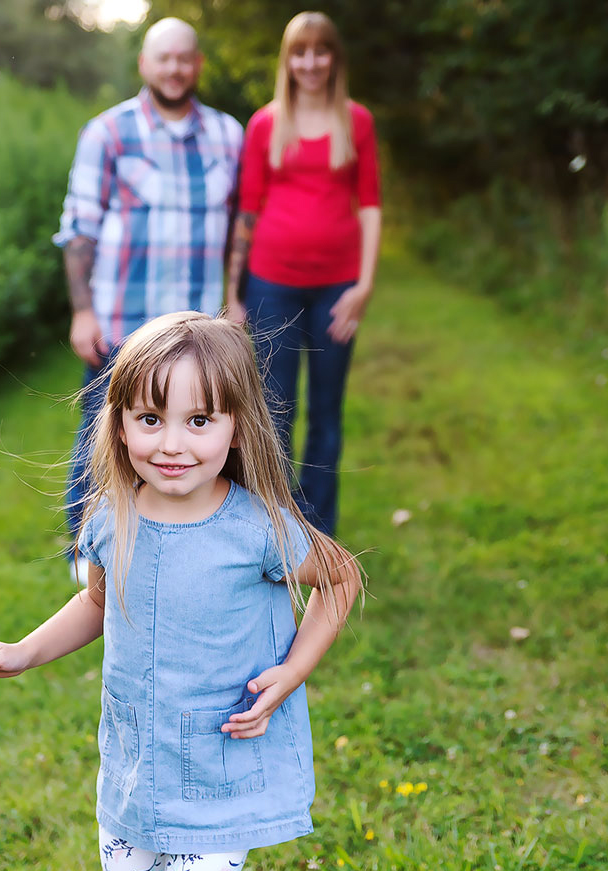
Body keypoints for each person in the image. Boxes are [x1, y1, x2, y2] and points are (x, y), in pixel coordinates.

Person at [0, 313, 362, 871]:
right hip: (135, 772)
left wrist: (292, 672)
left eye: (198, 421)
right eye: (150, 419)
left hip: (219, 776)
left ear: (236, 427)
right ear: (118, 424)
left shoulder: (257, 528)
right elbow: (98, 602)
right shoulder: (112, 515)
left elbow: (340, 579)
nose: (171, 443)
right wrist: (22, 651)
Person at [53, 17, 244, 584]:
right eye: (164, 58)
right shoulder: (107, 133)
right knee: (104, 437)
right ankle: (87, 557)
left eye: (185, 58)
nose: (175, 68)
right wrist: (82, 309)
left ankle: (174, 546)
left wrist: (234, 300)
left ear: (198, 65)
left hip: (198, 331)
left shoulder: (228, 135)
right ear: (144, 63)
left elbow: (239, 229)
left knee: (189, 437)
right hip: (121, 322)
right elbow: (79, 230)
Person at [224, 12, 382, 537]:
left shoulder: (356, 120)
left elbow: (371, 205)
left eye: (320, 51)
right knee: (274, 413)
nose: (310, 62)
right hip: (272, 282)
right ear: (287, 60)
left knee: (327, 414)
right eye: (300, 52)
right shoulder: (266, 124)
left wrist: (364, 284)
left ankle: (319, 535)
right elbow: (247, 210)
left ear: (334, 57)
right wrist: (234, 291)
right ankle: (276, 529)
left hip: (336, 287)